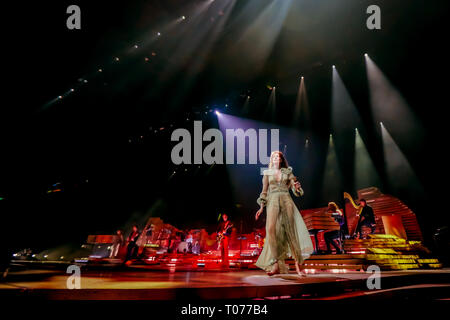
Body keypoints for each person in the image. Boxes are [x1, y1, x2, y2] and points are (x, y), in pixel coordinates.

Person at [255, 151, 314, 276]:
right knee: (271, 229)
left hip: (287, 201)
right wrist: (261, 207)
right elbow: (264, 192)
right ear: (271, 159)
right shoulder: (267, 173)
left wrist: (297, 187)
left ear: (281, 160)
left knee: (290, 231)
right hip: (272, 202)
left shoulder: (287, 172)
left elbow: (294, 187)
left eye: (279, 157)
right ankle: (276, 263)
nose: (277, 158)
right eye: (274, 156)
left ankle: (299, 266)